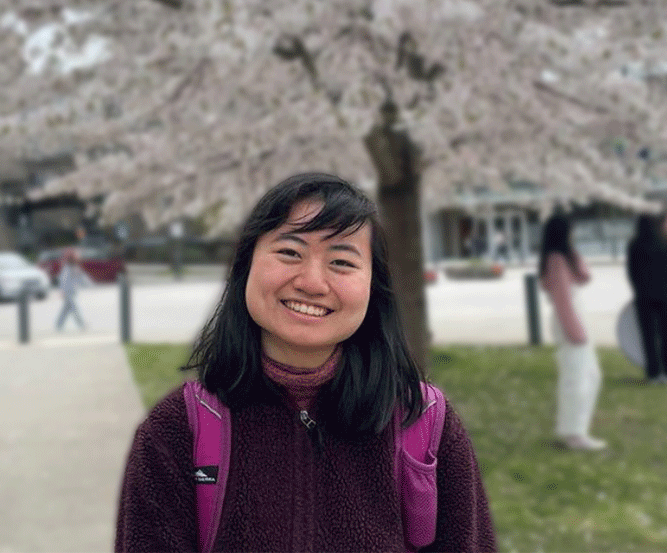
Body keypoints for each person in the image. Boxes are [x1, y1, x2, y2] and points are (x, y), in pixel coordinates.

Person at [114, 172, 497, 552]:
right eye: (290, 252)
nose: (312, 283)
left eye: (341, 262)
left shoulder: (424, 423)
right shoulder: (177, 430)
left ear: (372, 287)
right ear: (245, 266)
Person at [538, 212, 605, 451]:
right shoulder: (556, 260)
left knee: (590, 375)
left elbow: (584, 277)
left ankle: (576, 430)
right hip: (569, 321)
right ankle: (574, 433)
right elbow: (562, 299)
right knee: (578, 377)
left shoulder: (561, 257)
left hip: (574, 318)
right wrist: (575, 332)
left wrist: (573, 253)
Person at [626, 212, 667, 383]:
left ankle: (653, 372)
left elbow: (632, 272)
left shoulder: (634, 245)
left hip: (645, 296)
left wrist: (638, 290)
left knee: (649, 337)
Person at [56, 249, 89, 331]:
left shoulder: (74, 268)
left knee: (66, 309)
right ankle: (82, 324)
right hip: (68, 292)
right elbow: (64, 280)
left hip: (73, 291)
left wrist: (87, 284)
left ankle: (59, 324)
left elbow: (80, 278)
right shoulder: (67, 268)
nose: (78, 259)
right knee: (75, 308)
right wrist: (63, 291)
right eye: (76, 257)